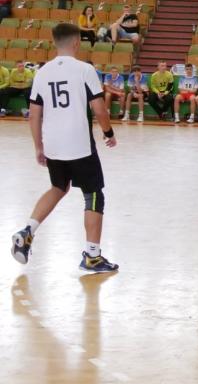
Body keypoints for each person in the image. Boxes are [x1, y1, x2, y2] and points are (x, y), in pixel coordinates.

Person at [11, 23, 118, 273]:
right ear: (77, 42)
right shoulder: (85, 70)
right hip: (79, 144)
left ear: (54, 42)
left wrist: (39, 146)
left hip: (53, 144)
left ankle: (27, 231)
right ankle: (92, 256)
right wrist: (109, 133)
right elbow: (99, 109)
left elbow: (34, 114)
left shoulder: (42, 72)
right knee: (93, 194)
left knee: (59, 187)